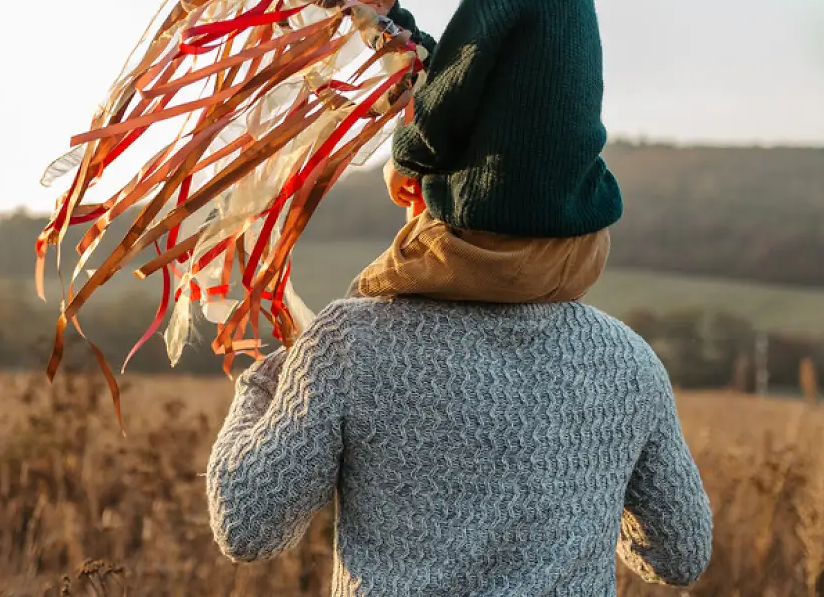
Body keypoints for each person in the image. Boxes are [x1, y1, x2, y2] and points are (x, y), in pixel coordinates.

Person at [204, 195, 714, 594]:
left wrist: (266, 383)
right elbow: (680, 556)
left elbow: (247, 525)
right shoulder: (628, 359)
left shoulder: (349, 340)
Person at [341, 0, 623, 305]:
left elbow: (446, 98)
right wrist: (392, 23)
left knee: (354, 311)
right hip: (581, 250)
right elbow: (458, 68)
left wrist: (404, 161)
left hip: (499, 246)